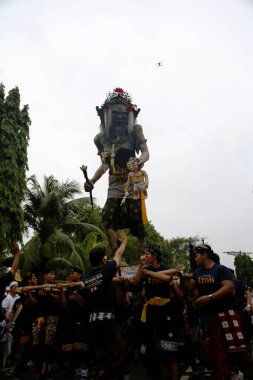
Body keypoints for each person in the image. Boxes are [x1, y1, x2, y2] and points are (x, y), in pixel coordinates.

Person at [84, 88, 149, 253]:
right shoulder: (100, 139)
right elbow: (105, 164)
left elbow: (146, 152)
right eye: (115, 113)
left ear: (128, 114)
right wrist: (92, 180)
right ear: (107, 113)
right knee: (107, 218)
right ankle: (116, 256)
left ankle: (145, 254)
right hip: (114, 185)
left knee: (136, 219)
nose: (120, 116)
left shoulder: (135, 130)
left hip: (132, 183)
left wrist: (139, 161)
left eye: (123, 113)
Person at [191, 244, 253, 380]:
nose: (194, 258)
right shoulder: (196, 272)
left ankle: (248, 374)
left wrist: (210, 297)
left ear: (204, 255)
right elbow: (192, 288)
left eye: (197, 255)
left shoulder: (221, 269)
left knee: (238, 351)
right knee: (214, 352)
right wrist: (182, 277)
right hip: (208, 318)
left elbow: (229, 288)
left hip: (226, 315)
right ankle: (221, 375)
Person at [133, 246, 186, 380]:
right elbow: (136, 282)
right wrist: (141, 265)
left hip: (166, 308)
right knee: (149, 347)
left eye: (147, 254)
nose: (145, 256)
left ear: (155, 255)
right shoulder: (145, 268)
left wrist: (172, 272)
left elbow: (168, 279)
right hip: (150, 310)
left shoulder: (165, 267)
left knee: (170, 347)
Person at [83, 230, 128, 379]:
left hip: (92, 322)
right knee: (114, 356)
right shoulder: (106, 270)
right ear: (103, 260)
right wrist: (124, 242)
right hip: (107, 321)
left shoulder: (86, 278)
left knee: (99, 357)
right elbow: (118, 255)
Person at [57, 266, 89, 380]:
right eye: (70, 273)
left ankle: (84, 372)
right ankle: (77, 372)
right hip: (70, 322)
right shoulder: (68, 289)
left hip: (81, 321)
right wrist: (62, 291)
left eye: (73, 272)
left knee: (82, 350)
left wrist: (77, 292)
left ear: (79, 275)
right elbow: (63, 305)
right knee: (72, 351)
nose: (70, 274)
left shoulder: (84, 286)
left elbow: (83, 304)